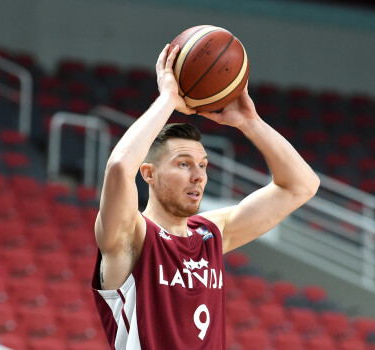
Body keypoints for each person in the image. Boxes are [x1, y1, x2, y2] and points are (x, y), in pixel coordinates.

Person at [91, 43, 320, 349]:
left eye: (202, 165)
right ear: (148, 173)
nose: (198, 175)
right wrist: (168, 99)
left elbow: (301, 186)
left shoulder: (211, 234)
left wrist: (250, 122)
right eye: (183, 164)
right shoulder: (130, 237)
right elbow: (119, 167)